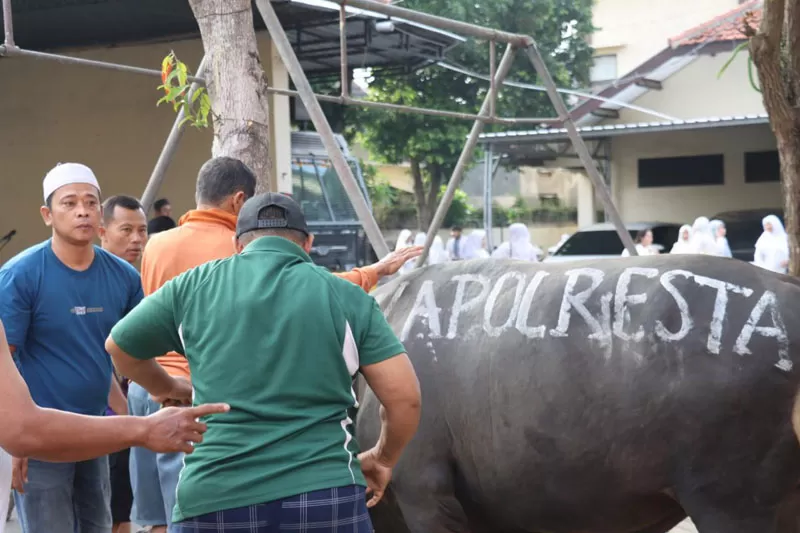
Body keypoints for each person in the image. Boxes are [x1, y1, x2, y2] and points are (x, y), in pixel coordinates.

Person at [130, 157, 423, 533]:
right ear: (309, 243)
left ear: (238, 244)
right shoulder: (345, 297)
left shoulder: (193, 285)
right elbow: (406, 399)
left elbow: (119, 345)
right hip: (325, 494)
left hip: (214, 496)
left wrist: (166, 387)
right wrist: (383, 458)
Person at [0, 163, 145, 533]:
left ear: (100, 213)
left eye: (90, 202)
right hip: (40, 437)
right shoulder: (20, 275)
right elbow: (6, 360)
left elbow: (116, 352)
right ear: (47, 215)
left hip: (95, 432)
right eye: (69, 203)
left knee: (98, 524)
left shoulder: (124, 277)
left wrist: (130, 416)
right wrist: (15, 441)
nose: (82, 210)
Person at [99, 195, 149, 533]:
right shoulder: (88, 275)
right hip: (97, 408)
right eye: (126, 230)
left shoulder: (137, 277)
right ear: (103, 231)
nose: (136, 239)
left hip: (132, 401)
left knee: (125, 505)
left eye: (142, 230)